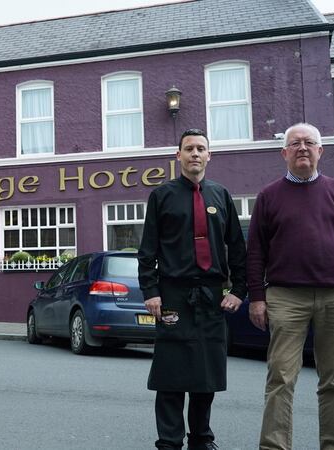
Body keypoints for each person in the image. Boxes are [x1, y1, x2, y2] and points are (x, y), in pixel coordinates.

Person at [246, 122, 334, 450]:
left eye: (309, 142)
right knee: (280, 379)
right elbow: (256, 251)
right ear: (284, 153)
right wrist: (257, 298)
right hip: (285, 296)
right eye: (295, 143)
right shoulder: (268, 196)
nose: (302, 148)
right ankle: (274, 447)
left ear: (321, 151)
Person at [138, 128, 247, 450]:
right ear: (179, 156)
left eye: (201, 148)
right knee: (171, 371)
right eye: (189, 149)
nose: (195, 154)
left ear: (209, 155)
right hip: (172, 294)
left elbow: (237, 247)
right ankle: (169, 442)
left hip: (212, 296)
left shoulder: (221, 195)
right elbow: (148, 251)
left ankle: (202, 438)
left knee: (205, 371)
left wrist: (238, 289)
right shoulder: (162, 196)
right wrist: (150, 292)